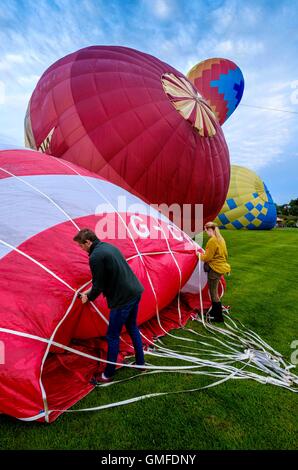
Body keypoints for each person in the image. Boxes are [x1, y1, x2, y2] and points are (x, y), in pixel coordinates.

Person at [73, 228, 145, 383]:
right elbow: (105, 279)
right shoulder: (108, 247)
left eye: (81, 245)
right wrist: (88, 291)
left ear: (88, 242)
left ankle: (108, 374)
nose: (81, 249)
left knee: (112, 336)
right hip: (135, 292)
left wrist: (88, 298)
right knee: (132, 327)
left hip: (122, 300)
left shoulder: (95, 257)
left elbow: (99, 285)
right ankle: (140, 363)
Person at [198, 222, 230, 322]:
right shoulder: (221, 239)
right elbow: (225, 254)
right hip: (221, 267)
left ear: (209, 230)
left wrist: (198, 254)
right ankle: (215, 312)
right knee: (214, 291)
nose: (205, 232)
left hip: (215, 269)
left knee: (213, 292)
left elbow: (207, 257)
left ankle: (218, 316)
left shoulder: (212, 240)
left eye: (206, 230)